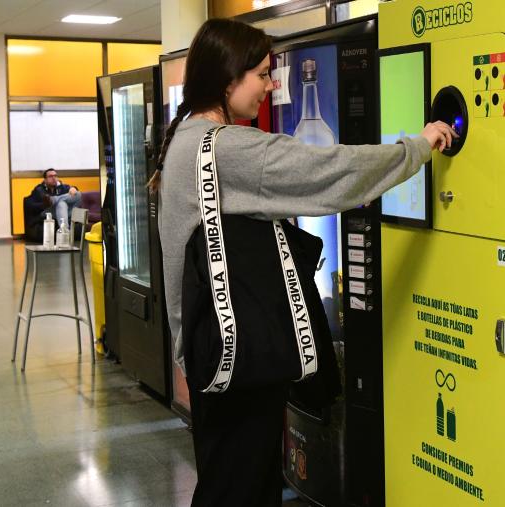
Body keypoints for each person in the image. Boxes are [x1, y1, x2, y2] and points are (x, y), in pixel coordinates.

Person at [153, 18, 456, 506]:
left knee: (231, 482)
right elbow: (329, 172)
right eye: (260, 75)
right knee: (240, 489)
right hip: (241, 365)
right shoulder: (226, 149)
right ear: (227, 79)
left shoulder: (185, 139)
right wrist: (415, 148)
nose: (270, 88)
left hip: (210, 356)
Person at [23, 168, 81, 242]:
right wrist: (44, 205)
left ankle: (54, 200)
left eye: (55, 176)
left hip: (65, 213)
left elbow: (74, 195)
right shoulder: (39, 190)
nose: (54, 178)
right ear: (45, 179)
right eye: (50, 176)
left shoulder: (63, 187)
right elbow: (31, 205)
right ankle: (66, 232)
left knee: (78, 194)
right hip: (47, 213)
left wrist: (73, 188)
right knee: (61, 204)